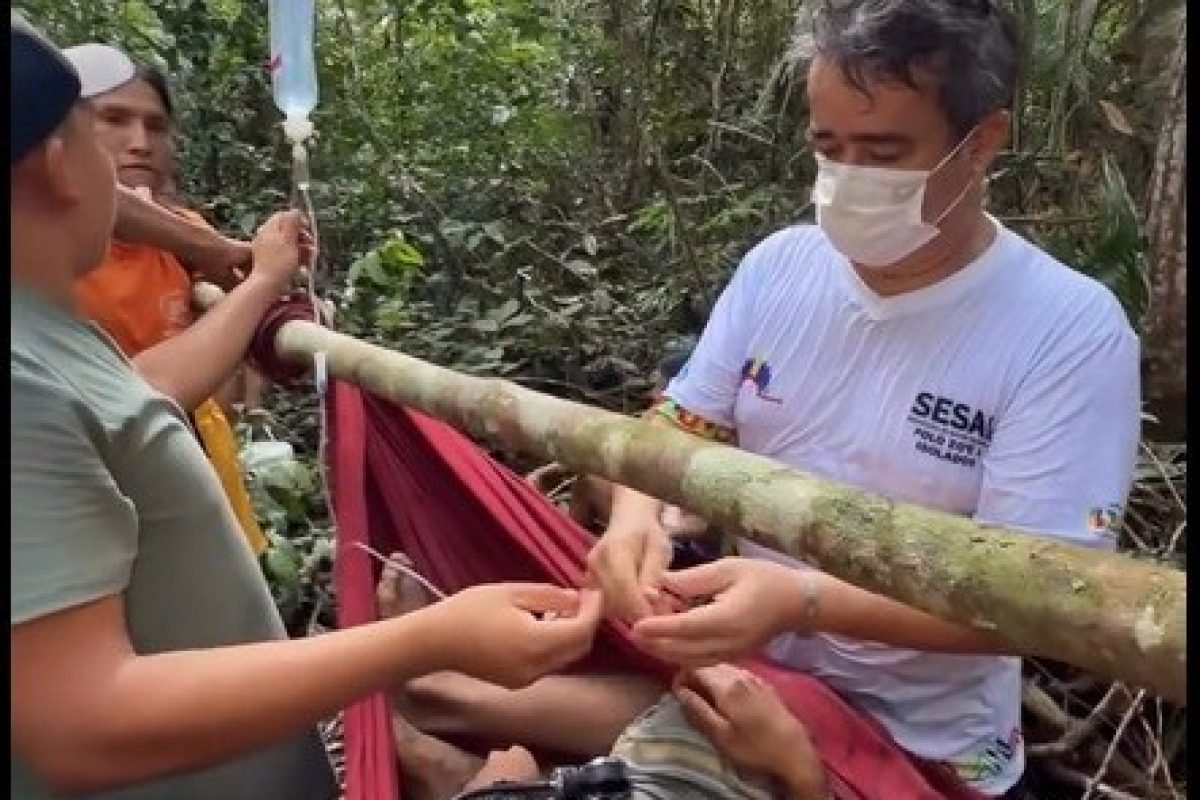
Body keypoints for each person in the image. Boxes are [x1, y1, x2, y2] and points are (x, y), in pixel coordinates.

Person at [10, 15, 602, 800]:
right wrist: (422, 641)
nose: (129, 160)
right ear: (59, 164)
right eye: (98, 127)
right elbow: (77, 724)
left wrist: (247, 273)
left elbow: (132, 408)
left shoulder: (46, 333)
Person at [587, 1, 1140, 798]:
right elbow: (679, 425)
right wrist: (633, 517)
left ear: (982, 141)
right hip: (744, 678)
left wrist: (801, 600)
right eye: (827, 147)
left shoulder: (1068, 330)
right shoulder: (782, 265)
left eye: (884, 151)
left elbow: (1048, 598)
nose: (847, 180)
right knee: (481, 679)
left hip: (932, 746)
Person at [62, 42, 272, 554]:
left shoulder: (190, 237)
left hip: (195, 480)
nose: (140, 143)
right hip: (89, 496)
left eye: (156, 127)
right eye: (113, 119)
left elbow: (232, 379)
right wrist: (217, 253)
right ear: (61, 134)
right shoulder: (45, 233)